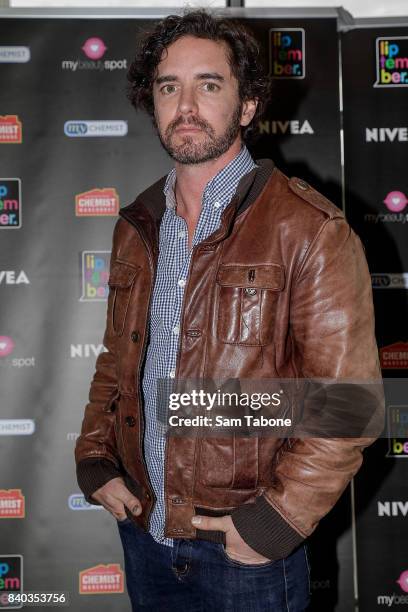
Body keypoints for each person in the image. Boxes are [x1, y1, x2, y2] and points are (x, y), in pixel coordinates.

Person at [74, 9, 383, 611]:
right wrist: (94, 460)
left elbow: (346, 402)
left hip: (244, 551)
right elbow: (117, 360)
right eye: (169, 86)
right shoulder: (137, 224)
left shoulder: (308, 229)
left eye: (208, 84)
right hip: (144, 534)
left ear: (246, 107)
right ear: (151, 101)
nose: (185, 104)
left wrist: (273, 523)